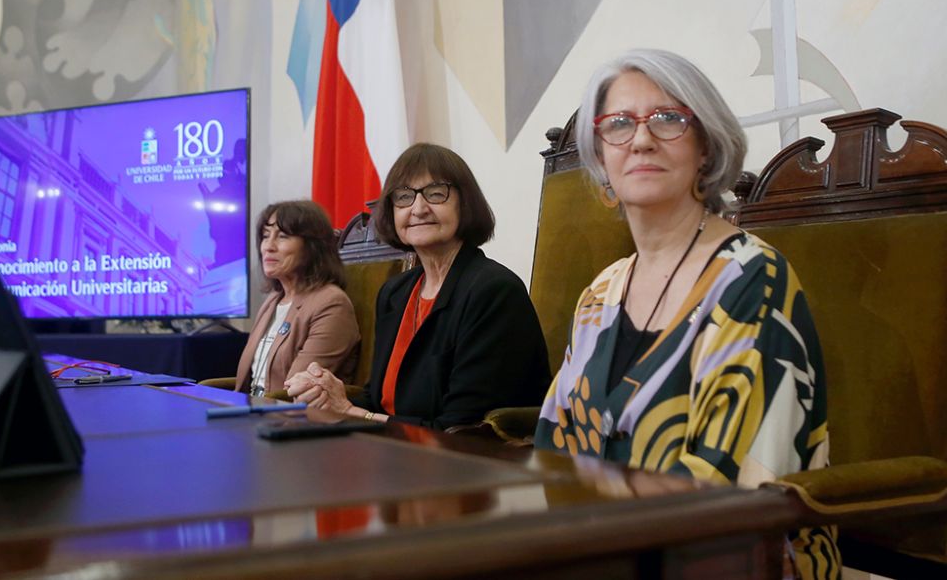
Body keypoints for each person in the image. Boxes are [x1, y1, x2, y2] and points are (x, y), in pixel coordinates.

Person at [533, 50, 837, 579]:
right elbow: (554, 445)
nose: (642, 139)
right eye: (620, 124)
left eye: (669, 119)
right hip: (600, 554)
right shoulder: (601, 294)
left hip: (729, 560)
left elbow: (732, 487)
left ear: (705, 148)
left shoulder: (753, 279)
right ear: (601, 157)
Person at [285, 144, 551, 430]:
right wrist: (329, 391)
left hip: (472, 465)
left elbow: (461, 428)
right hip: (397, 454)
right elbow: (380, 400)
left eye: (436, 194)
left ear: (465, 203)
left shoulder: (494, 292)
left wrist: (352, 411)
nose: (419, 208)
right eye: (404, 197)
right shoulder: (395, 293)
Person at [233, 200, 359, 396]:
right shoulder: (273, 300)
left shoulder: (331, 304)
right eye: (266, 236)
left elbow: (296, 390)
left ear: (312, 247)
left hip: (290, 418)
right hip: (253, 410)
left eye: (282, 236)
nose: (268, 247)